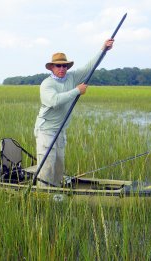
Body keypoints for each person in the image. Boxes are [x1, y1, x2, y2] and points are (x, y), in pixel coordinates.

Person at [34, 39, 114, 187]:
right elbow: (54, 101)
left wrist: (103, 50)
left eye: (64, 65)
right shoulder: (47, 84)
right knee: (47, 166)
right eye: (58, 65)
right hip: (46, 131)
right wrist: (77, 90)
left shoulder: (72, 77)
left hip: (61, 130)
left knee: (58, 167)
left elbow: (90, 66)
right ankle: (42, 196)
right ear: (52, 67)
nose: (62, 68)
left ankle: (57, 193)